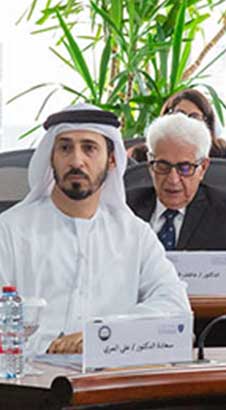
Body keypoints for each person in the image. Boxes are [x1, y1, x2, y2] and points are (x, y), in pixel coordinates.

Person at [0, 104, 191, 355]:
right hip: (30, 373)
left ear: (111, 160)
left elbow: (175, 307)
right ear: (51, 157)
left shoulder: (135, 235)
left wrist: (103, 334)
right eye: (65, 148)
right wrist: (50, 347)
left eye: (89, 148)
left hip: (110, 373)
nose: (76, 161)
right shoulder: (10, 231)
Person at [127, 114, 226, 262]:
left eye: (185, 168)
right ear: (150, 164)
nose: (173, 179)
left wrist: (218, 263)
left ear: (203, 168)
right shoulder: (125, 206)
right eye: (163, 165)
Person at [129, 88, 226, 161]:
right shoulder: (141, 155)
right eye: (180, 114)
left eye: (194, 117)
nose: (187, 122)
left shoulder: (224, 153)